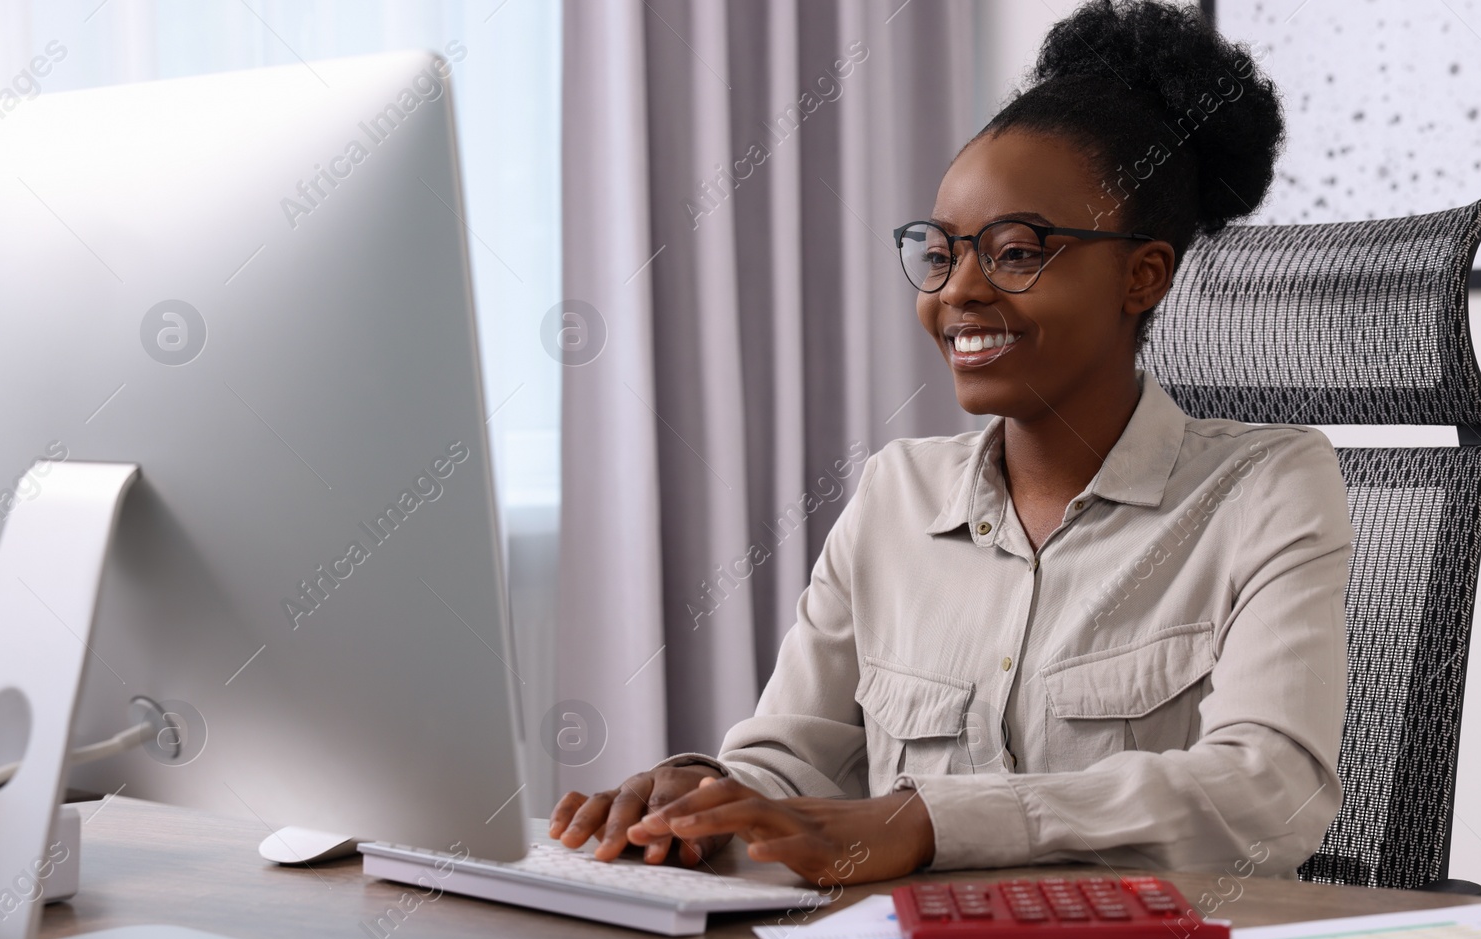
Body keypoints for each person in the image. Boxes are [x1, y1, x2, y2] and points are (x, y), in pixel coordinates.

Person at [549, 0, 1353, 887]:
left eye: (1015, 252)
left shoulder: (1268, 486)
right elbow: (794, 760)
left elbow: (1268, 793)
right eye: (939, 254)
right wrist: (703, 799)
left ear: (1142, 273)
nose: (957, 292)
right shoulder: (895, 494)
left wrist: (927, 819)